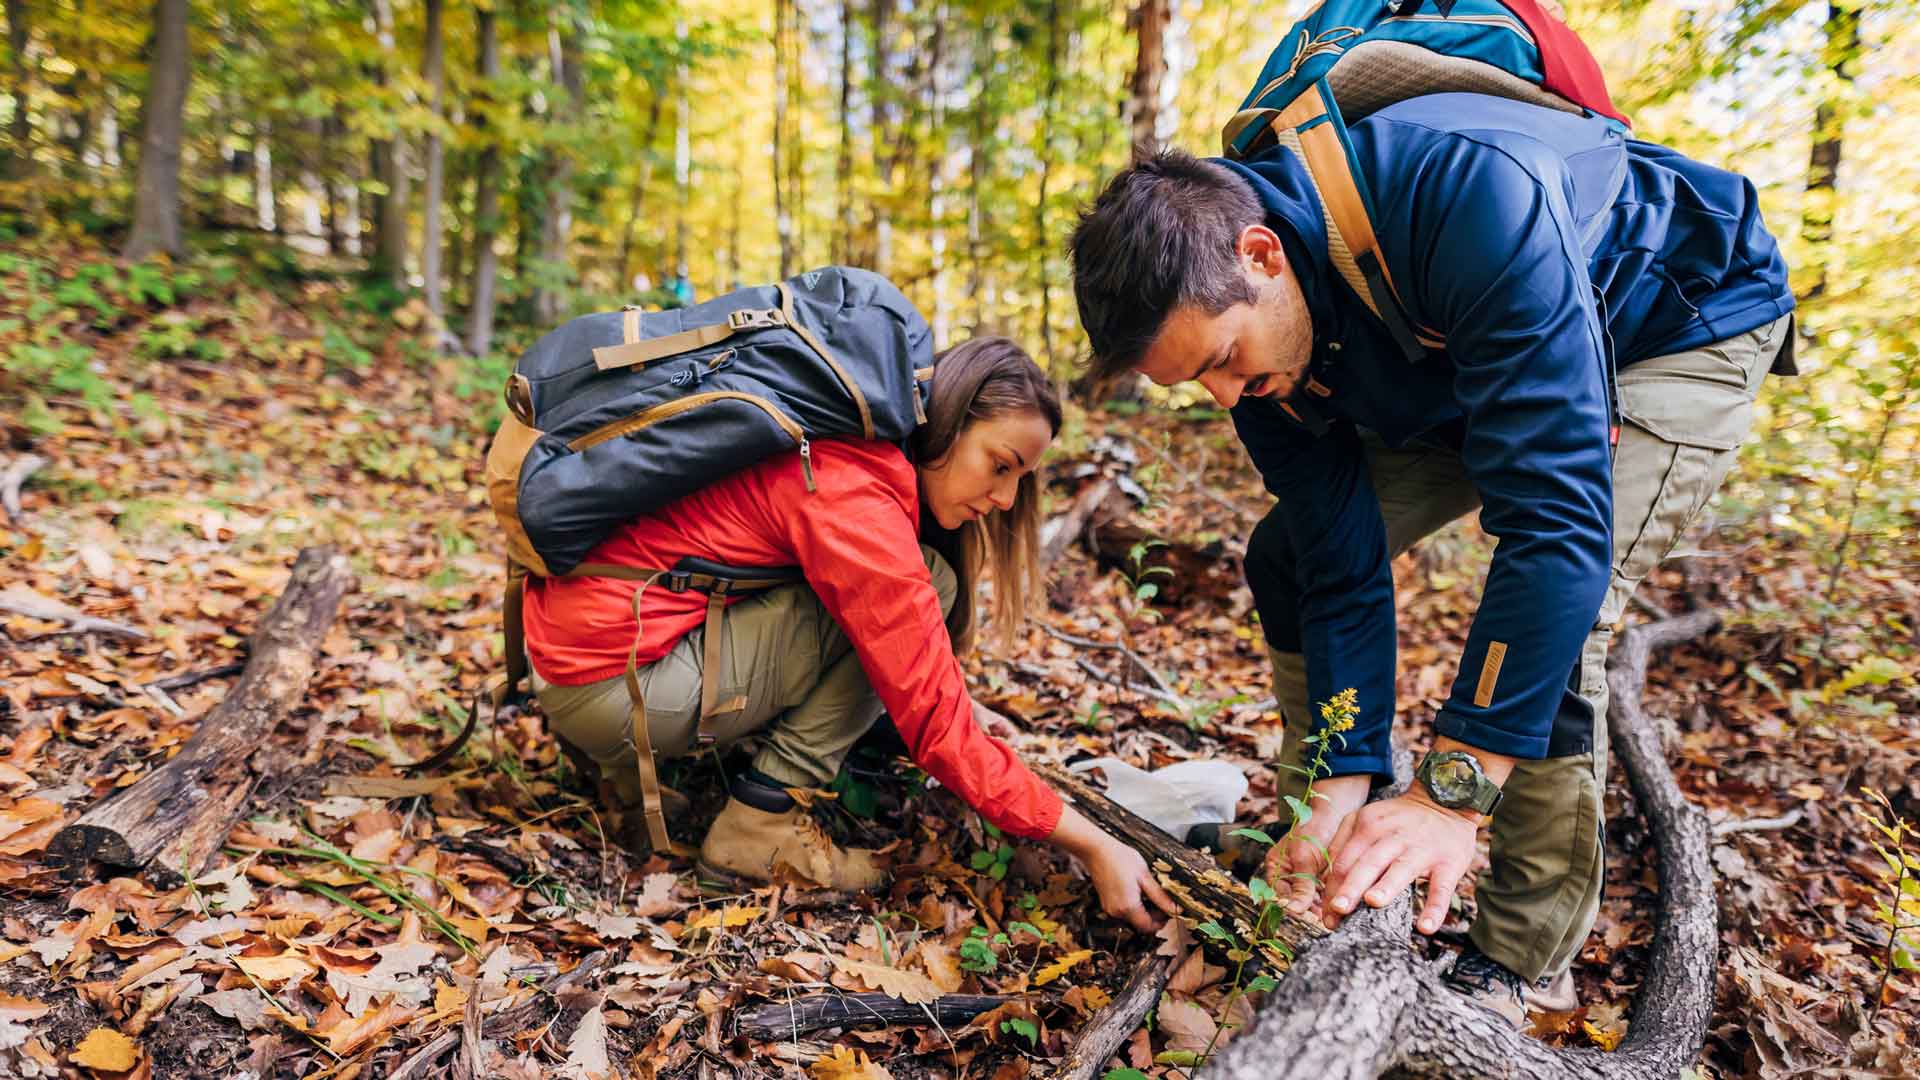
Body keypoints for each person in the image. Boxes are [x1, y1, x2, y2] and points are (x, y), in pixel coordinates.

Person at [1068, 94, 1794, 1021]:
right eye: (1194, 384)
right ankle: (1326, 825)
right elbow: (1340, 559)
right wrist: (1345, 776)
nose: (1223, 396)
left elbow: (1555, 528)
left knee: (1561, 622)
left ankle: (1524, 954)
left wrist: (1451, 793)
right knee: (1290, 554)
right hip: (1447, 358)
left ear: (1260, 255)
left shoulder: (1473, 197)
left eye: (1224, 358)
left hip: (1672, 321)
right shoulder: (1263, 352)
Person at [520, 334, 1176, 932]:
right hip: (615, 689)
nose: (1004, 499)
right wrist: (1095, 843)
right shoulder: (850, 491)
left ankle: (679, 778)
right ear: (946, 422)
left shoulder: (841, 447)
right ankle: (758, 823)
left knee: (911, 599)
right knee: (930, 585)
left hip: (588, 655)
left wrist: (958, 700)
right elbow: (934, 727)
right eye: (999, 465)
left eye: (1019, 479)